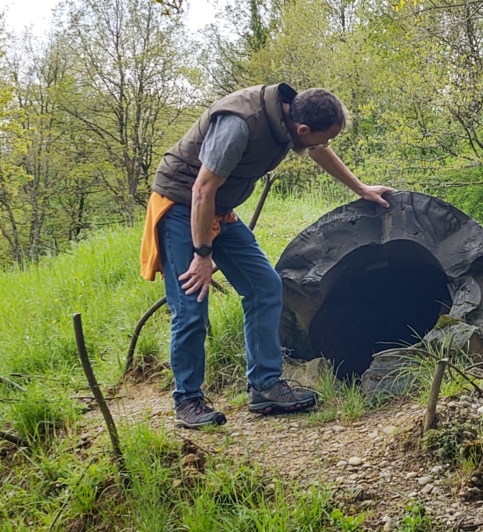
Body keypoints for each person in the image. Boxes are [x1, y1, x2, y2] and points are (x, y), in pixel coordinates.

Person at [139, 83, 394, 429]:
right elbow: (202, 189)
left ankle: (265, 385)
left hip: (219, 207)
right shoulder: (240, 125)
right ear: (301, 129)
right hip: (184, 205)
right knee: (191, 303)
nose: (325, 145)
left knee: (264, 286)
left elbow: (317, 149)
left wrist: (360, 188)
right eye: (323, 138)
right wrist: (201, 255)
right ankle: (188, 400)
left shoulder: (291, 115)